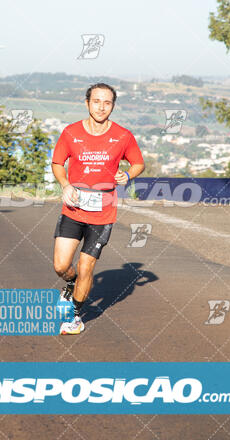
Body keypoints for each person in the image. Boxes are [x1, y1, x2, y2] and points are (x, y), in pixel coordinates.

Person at [51, 82, 145, 334]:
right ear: (87, 103)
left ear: (113, 106)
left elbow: (138, 163)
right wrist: (65, 184)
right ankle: (70, 284)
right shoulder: (71, 133)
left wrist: (128, 174)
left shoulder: (123, 135)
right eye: (96, 101)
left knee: (86, 267)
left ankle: (76, 317)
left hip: (103, 213)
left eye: (107, 102)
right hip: (73, 208)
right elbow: (58, 162)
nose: (101, 107)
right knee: (61, 266)